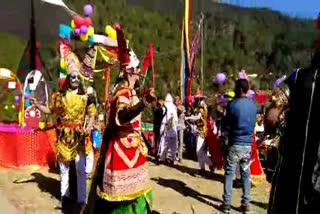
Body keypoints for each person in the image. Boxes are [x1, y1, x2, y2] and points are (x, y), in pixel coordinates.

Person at [89, 49, 156, 213]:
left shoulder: (131, 91)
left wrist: (147, 142)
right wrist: (144, 103)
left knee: (137, 195)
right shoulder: (123, 92)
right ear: (128, 71)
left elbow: (134, 125)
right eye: (137, 68)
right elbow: (121, 117)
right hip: (122, 154)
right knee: (122, 201)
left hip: (133, 151)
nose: (139, 72)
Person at [33, 52, 97, 208]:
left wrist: (88, 128)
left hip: (80, 137)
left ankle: (82, 199)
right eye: (72, 77)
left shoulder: (86, 97)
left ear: (79, 79)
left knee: (81, 169)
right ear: (68, 79)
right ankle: (64, 197)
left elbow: (92, 114)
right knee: (63, 169)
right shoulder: (59, 95)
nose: (75, 79)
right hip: (63, 137)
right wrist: (37, 104)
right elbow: (50, 111)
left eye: (77, 77)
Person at [268, 51, 320, 213]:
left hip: (294, 167)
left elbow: (272, 113)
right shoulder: (298, 78)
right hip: (305, 169)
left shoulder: (298, 77)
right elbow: (275, 108)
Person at [220, 79, 257, 214]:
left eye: (236, 88)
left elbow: (226, 124)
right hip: (247, 146)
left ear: (240, 89)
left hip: (235, 143)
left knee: (229, 173)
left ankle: (226, 204)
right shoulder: (253, 106)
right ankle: (246, 204)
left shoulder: (232, 105)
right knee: (246, 174)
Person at [186, 90, 213, 174]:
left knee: (199, 150)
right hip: (200, 129)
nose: (196, 100)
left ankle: (210, 164)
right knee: (200, 151)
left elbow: (198, 117)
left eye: (197, 98)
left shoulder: (202, 106)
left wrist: (188, 118)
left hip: (202, 130)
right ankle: (203, 168)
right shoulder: (201, 105)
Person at [158, 93, 178, 165]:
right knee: (173, 145)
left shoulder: (164, 106)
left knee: (164, 142)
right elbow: (176, 119)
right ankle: (174, 158)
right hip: (173, 128)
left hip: (166, 127)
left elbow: (163, 118)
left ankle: (162, 157)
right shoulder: (174, 107)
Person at [175, 96, 186, 162]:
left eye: (178, 100)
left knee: (181, 142)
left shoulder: (182, 107)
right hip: (175, 126)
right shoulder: (174, 107)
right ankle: (175, 156)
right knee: (176, 142)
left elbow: (182, 111)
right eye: (176, 100)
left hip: (181, 126)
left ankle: (180, 157)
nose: (177, 101)